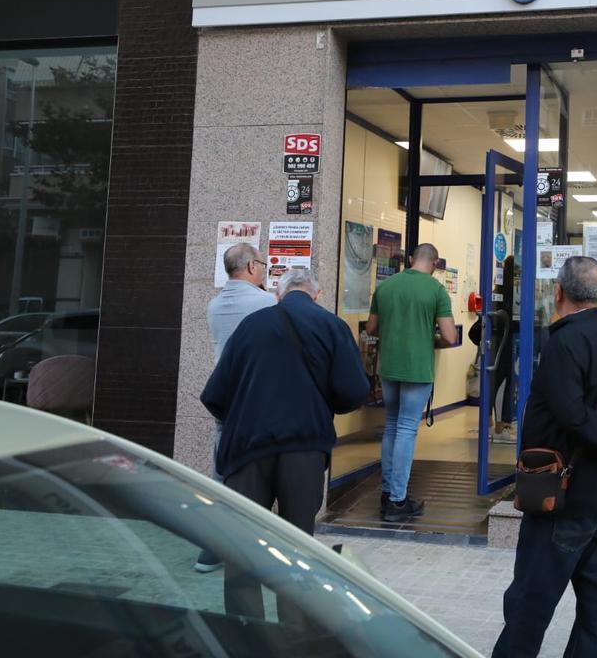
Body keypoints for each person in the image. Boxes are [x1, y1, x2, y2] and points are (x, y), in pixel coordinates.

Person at [492, 256, 597, 658]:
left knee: (530, 601)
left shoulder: (563, 342)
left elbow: (571, 412)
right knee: (593, 604)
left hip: (563, 496)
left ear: (559, 292)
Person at [200, 267, 371, 621]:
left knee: (242, 544)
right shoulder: (332, 326)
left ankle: (247, 631)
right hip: (304, 449)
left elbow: (215, 395)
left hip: (247, 449)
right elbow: (354, 391)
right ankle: (292, 632)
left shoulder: (251, 325)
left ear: (278, 294)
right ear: (316, 294)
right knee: (297, 546)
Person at [193, 243, 275, 573]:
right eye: (264, 264)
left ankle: (211, 548)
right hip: (254, 396)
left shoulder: (215, 304)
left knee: (221, 469)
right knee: (258, 471)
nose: (266, 270)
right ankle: (250, 546)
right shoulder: (267, 302)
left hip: (223, 396)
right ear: (252, 267)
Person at [365, 242, 458, 522]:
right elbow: (451, 336)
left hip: (389, 366)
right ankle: (397, 501)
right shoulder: (436, 290)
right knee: (406, 429)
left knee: (391, 426)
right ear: (435, 263)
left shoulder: (385, 287)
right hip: (417, 369)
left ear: (410, 259)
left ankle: (386, 492)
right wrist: (429, 336)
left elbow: (371, 328)